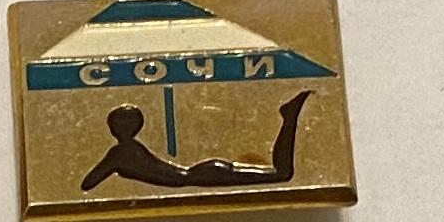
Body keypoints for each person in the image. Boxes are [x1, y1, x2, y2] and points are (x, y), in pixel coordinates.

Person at [80, 90, 314, 191]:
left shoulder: (120, 153)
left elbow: (89, 182)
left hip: (201, 175)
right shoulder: (130, 150)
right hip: (202, 173)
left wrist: (118, 170)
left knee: (281, 174)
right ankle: (289, 117)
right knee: (279, 174)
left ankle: (289, 118)